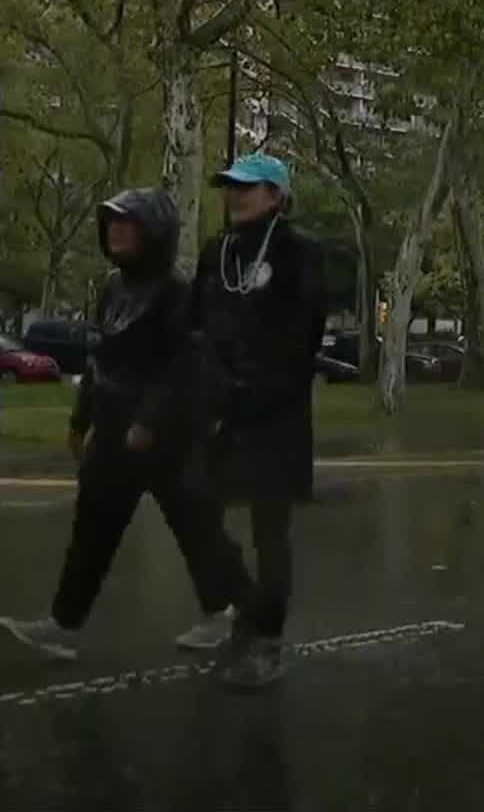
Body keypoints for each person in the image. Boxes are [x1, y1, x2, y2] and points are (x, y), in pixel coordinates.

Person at [0, 190, 251, 662]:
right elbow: (101, 360)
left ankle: (233, 613)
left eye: (127, 223)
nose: (115, 231)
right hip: (113, 433)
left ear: (153, 233)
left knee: (198, 529)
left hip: (169, 439)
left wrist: (150, 422)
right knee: (92, 530)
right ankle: (63, 626)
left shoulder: (177, 294)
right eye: (110, 222)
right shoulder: (114, 287)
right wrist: (80, 420)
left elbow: (183, 368)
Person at [189, 154, 325, 688]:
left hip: (276, 412)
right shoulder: (216, 251)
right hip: (218, 409)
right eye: (229, 187)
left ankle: (267, 640)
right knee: (195, 508)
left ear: (276, 196)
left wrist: (259, 388)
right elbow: (195, 324)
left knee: (270, 527)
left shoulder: (300, 253)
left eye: (247, 188)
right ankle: (247, 608)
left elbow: (303, 337)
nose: (234, 195)